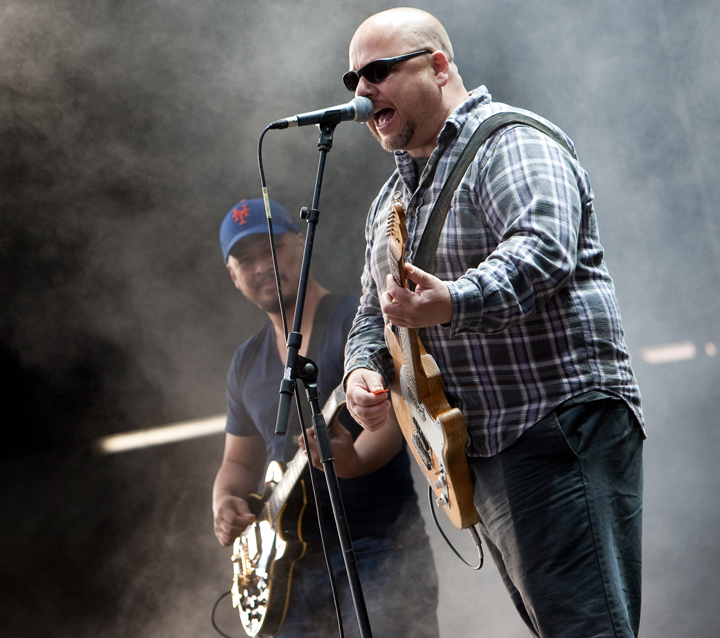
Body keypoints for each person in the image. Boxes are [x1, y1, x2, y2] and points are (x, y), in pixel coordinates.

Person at [342, 8, 645, 638]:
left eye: (377, 71)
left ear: (438, 65)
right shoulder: (389, 203)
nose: (362, 91)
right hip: (486, 447)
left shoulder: (508, 141)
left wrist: (452, 300)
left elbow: (541, 248)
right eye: (352, 80)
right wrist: (363, 373)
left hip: (556, 425)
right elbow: (371, 313)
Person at [212, 198, 439, 637]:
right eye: (246, 258)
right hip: (289, 576)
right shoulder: (245, 363)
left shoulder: (358, 320)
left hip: (377, 549)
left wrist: (350, 460)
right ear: (232, 274)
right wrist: (224, 505)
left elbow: (396, 419)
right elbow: (237, 464)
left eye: (272, 248)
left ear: (301, 241)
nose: (262, 266)